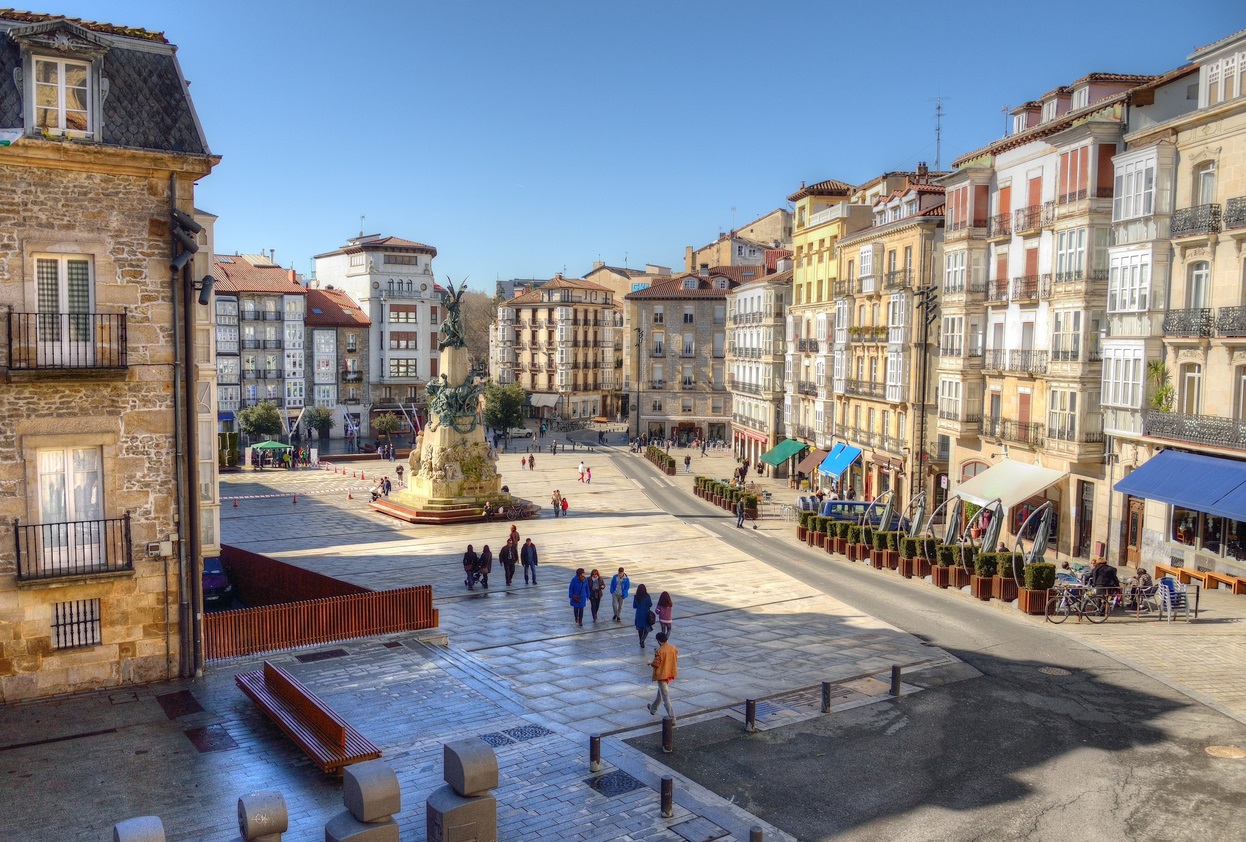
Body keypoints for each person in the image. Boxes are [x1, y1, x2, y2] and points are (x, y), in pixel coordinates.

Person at [646, 631, 678, 722]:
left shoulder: (659, 651)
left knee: (665, 697)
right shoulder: (673, 648)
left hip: (662, 675)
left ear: (659, 641)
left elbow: (656, 663)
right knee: (661, 692)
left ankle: (672, 718)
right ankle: (653, 709)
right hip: (670, 673)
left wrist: (650, 663)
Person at [633, 584, 654, 649]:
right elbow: (650, 604)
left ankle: (641, 641)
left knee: (640, 629)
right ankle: (642, 640)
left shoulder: (636, 597)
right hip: (646, 614)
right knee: (647, 629)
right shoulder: (647, 596)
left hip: (639, 614)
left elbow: (634, 606)